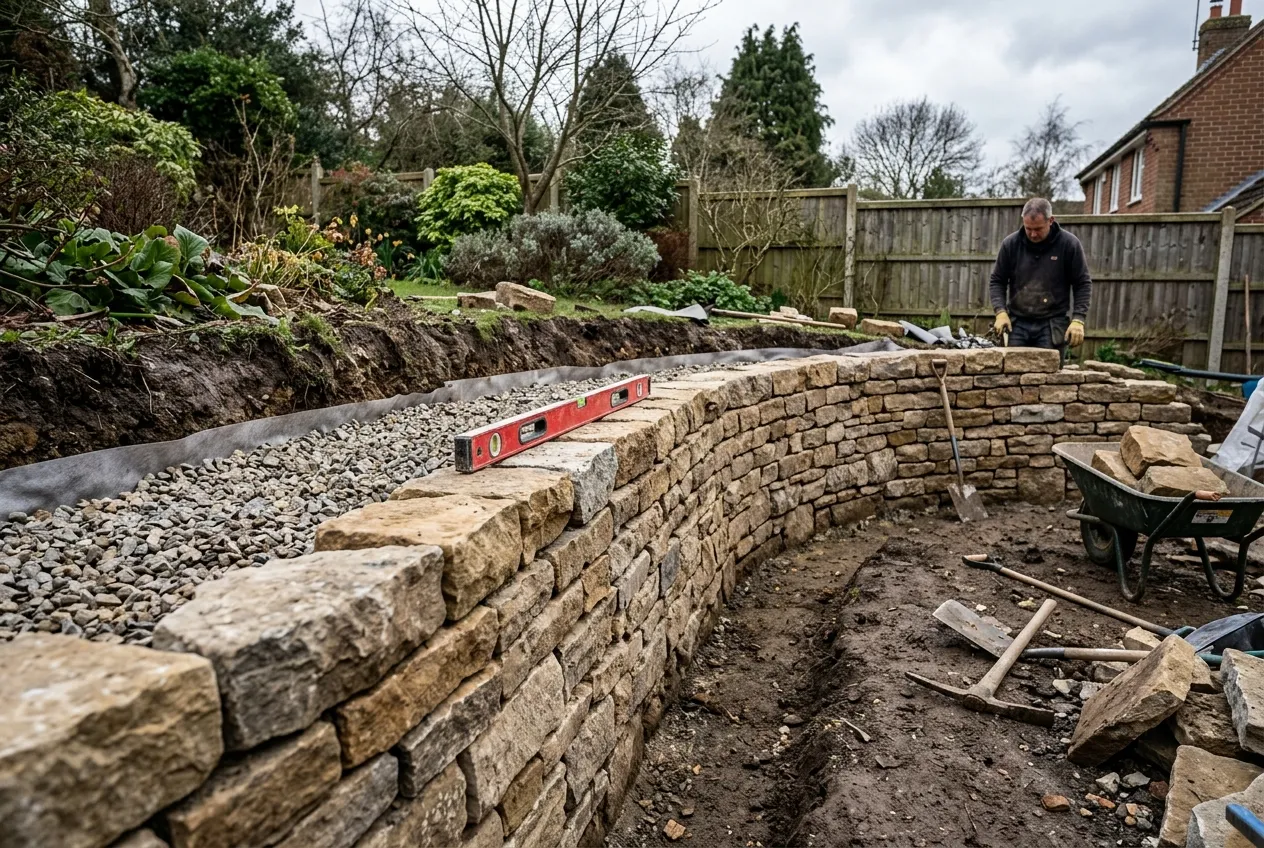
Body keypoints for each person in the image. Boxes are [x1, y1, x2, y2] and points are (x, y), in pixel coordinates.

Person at [988, 197, 1092, 355]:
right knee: (1013, 375)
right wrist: (1000, 312)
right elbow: (997, 281)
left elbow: (1082, 283)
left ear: (1051, 220)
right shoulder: (1011, 244)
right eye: (1028, 228)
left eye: (1038, 229)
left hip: (1052, 324)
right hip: (1018, 323)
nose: (1033, 234)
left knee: (1049, 377)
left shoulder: (1069, 245)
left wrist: (1078, 319)